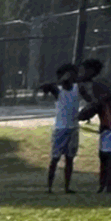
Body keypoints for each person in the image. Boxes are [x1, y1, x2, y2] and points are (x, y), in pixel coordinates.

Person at [41, 64, 83, 193]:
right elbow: (45, 87)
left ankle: (66, 187)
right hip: (60, 129)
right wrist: (59, 81)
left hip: (73, 128)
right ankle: (49, 187)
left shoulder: (77, 88)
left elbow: (88, 95)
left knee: (69, 159)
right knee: (55, 158)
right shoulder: (58, 90)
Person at [83, 58, 111, 195]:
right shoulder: (100, 82)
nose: (83, 73)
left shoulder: (98, 83)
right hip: (109, 122)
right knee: (104, 155)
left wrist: (83, 114)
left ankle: (107, 186)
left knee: (108, 156)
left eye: (85, 70)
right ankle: (103, 184)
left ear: (91, 70)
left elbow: (99, 103)